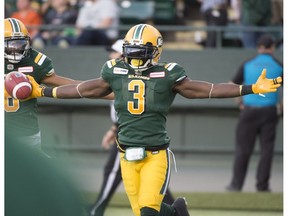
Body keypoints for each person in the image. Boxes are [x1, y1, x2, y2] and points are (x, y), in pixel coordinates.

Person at [27, 24, 282, 216]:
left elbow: (208, 89)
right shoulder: (114, 70)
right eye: (131, 51)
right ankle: (177, 211)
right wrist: (44, 91)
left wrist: (249, 88)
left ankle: (176, 210)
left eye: (141, 51)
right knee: (143, 213)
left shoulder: (168, 73)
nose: (136, 57)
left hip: (154, 154)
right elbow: (84, 89)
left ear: (156, 51)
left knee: (149, 212)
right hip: (126, 154)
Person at [89, 40, 175, 216]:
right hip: (126, 133)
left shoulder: (130, 77)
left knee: (113, 172)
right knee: (149, 190)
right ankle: (174, 209)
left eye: (113, 52)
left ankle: (97, 209)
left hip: (136, 137)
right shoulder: (116, 74)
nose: (110, 55)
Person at [4, 18, 80, 153]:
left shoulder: (36, 61)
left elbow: (69, 85)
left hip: (26, 133)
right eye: (11, 44)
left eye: (20, 43)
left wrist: (99, 90)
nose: (16, 48)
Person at [226, 34, 283, 192]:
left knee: (243, 150)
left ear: (259, 48)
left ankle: (236, 185)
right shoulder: (279, 66)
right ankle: (262, 186)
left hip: (249, 112)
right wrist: (281, 106)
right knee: (266, 151)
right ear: (272, 48)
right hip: (270, 112)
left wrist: (240, 103)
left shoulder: (247, 64)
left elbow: (231, 84)